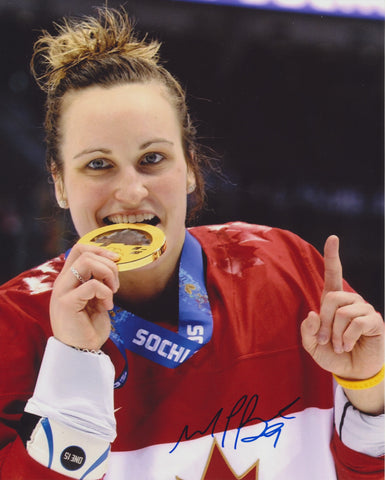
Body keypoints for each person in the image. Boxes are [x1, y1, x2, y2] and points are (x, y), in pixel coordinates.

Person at [0, 7, 383, 480]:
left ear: (191, 168)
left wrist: (371, 394)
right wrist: (74, 367)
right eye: (98, 164)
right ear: (59, 183)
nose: (131, 192)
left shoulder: (285, 271)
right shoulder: (13, 329)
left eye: (152, 158)